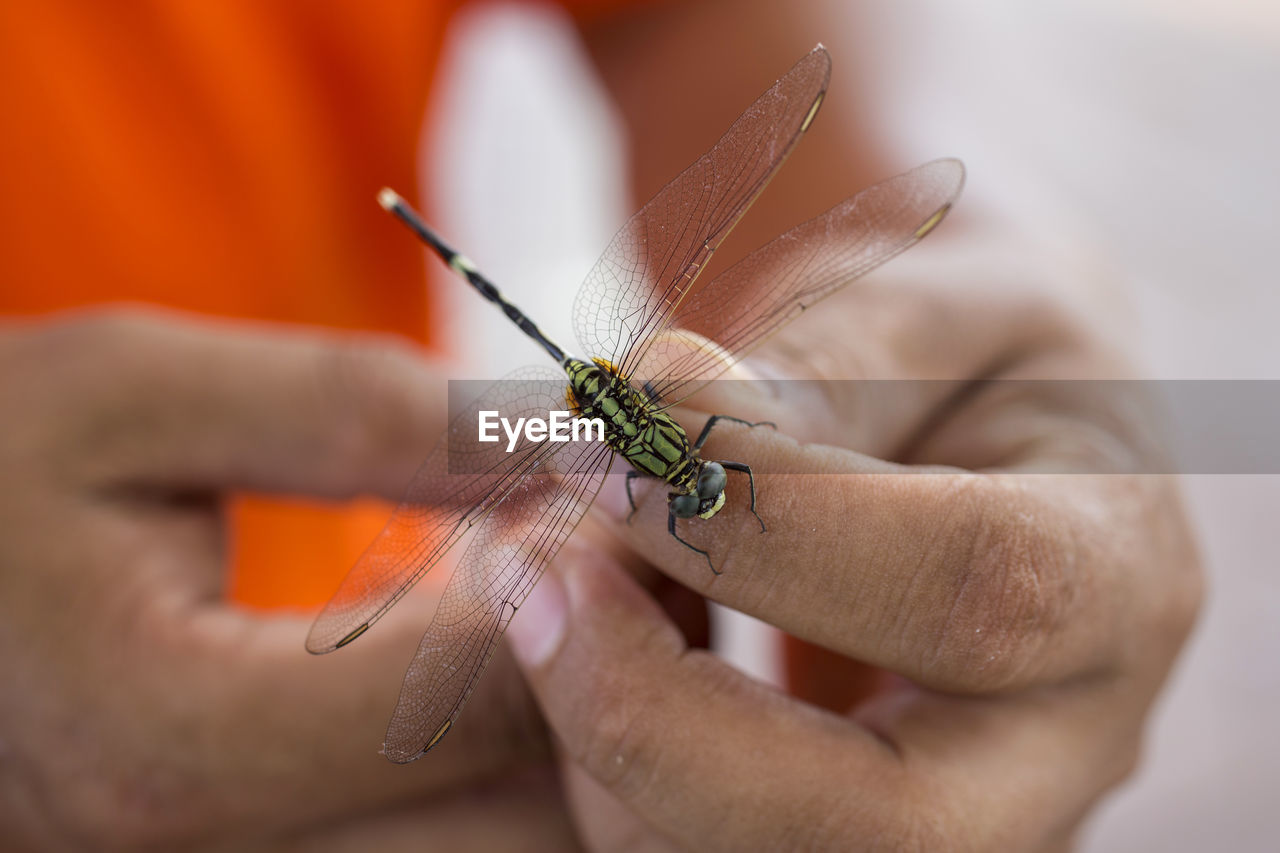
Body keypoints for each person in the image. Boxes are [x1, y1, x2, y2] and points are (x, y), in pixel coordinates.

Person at [0, 0, 1201, 849]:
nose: (709, 492)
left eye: (703, 491)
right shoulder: (612, 449)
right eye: (699, 488)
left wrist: (922, 288)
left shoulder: (690, 437)